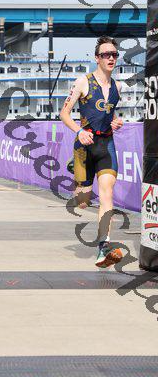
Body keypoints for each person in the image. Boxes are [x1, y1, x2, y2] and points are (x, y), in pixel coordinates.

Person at [60, 36, 124, 268]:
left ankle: (104, 245)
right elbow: (64, 113)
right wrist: (79, 131)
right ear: (97, 58)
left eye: (114, 54)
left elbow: (107, 113)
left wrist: (115, 121)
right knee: (83, 201)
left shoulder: (117, 87)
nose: (111, 58)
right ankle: (77, 177)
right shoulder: (83, 82)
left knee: (107, 193)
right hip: (84, 147)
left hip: (106, 145)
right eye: (106, 54)